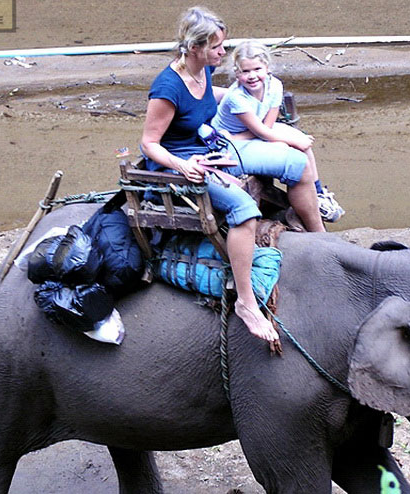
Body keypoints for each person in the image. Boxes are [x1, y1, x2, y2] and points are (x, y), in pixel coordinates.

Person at [140, 6, 324, 345]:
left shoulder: (201, 72)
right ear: (195, 48)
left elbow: (207, 100)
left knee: (296, 164)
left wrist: (246, 99)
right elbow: (149, 143)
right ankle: (246, 301)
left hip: (212, 147)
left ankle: (319, 238)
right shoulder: (167, 88)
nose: (223, 53)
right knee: (243, 209)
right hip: (182, 163)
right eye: (217, 48)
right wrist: (184, 166)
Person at [212, 40, 346, 222]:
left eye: (257, 69)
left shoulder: (274, 85)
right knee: (292, 146)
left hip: (250, 131)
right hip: (229, 141)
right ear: (237, 74)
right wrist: (290, 142)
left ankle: (319, 193)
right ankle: (304, 197)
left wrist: (295, 140)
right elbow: (261, 131)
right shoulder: (236, 98)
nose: (252, 76)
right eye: (245, 71)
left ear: (267, 68)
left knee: (303, 145)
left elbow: (267, 125)